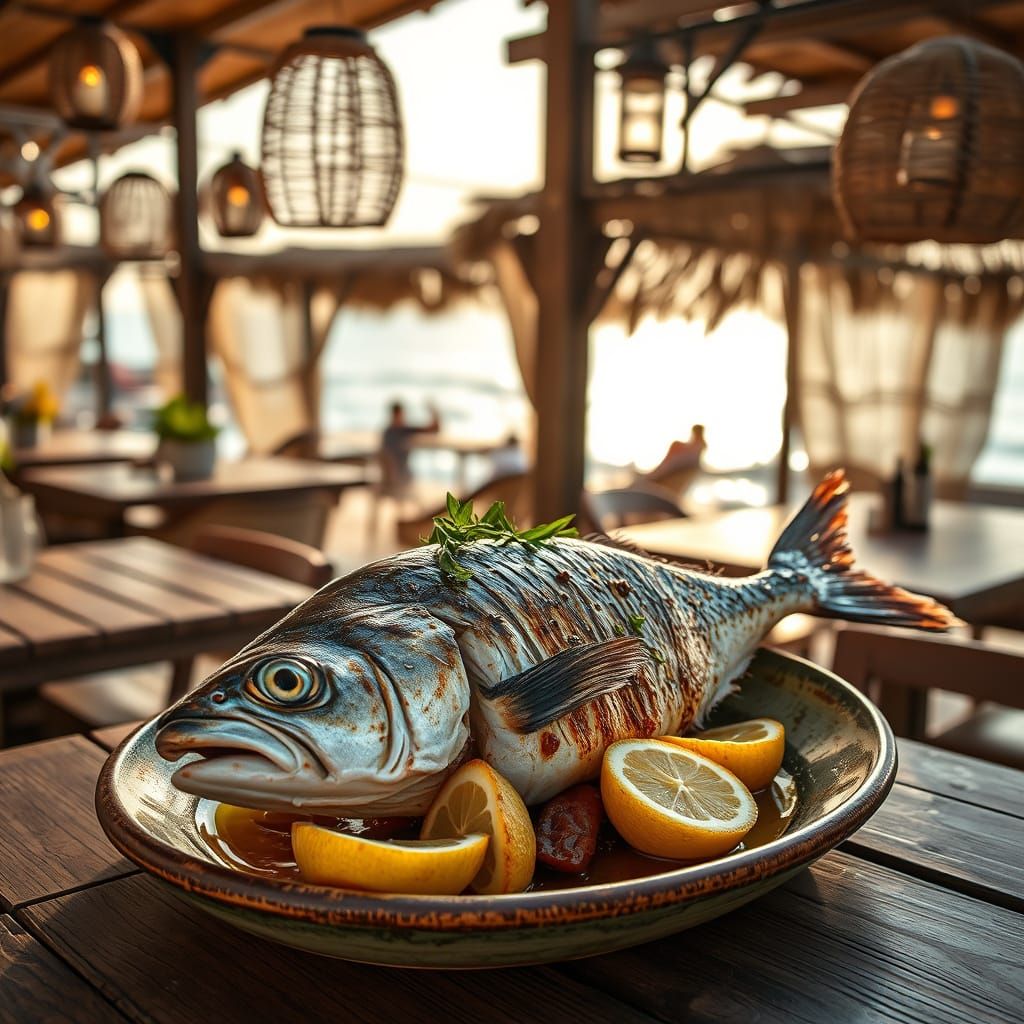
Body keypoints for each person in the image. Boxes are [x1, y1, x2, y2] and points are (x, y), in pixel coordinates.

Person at [378, 400, 441, 501]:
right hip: (401, 479)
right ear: (399, 414)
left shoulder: (387, 432)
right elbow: (434, 428)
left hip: (387, 480)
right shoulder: (402, 430)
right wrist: (434, 411)